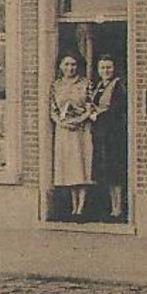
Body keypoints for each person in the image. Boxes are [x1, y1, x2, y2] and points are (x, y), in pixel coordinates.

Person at [51, 53, 94, 218]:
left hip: (81, 130)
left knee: (81, 165)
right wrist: (60, 122)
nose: (70, 68)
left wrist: (79, 120)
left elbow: (90, 106)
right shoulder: (56, 85)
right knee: (68, 167)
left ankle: (81, 207)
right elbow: (53, 109)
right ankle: (72, 206)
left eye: (74, 64)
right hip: (64, 130)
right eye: (67, 64)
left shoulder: (85, 84)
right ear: (61, 66)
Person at [90, 54, 129, 221]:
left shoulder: (119, 85)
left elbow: (118, 108)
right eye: (103, 68)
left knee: (115, 171)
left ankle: (118, 208)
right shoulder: (99, 86)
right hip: (101, 134)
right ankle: (111, 207)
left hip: (114, 134)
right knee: (106, 171)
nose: (106, 71)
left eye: (109, 67)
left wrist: (98, 115)